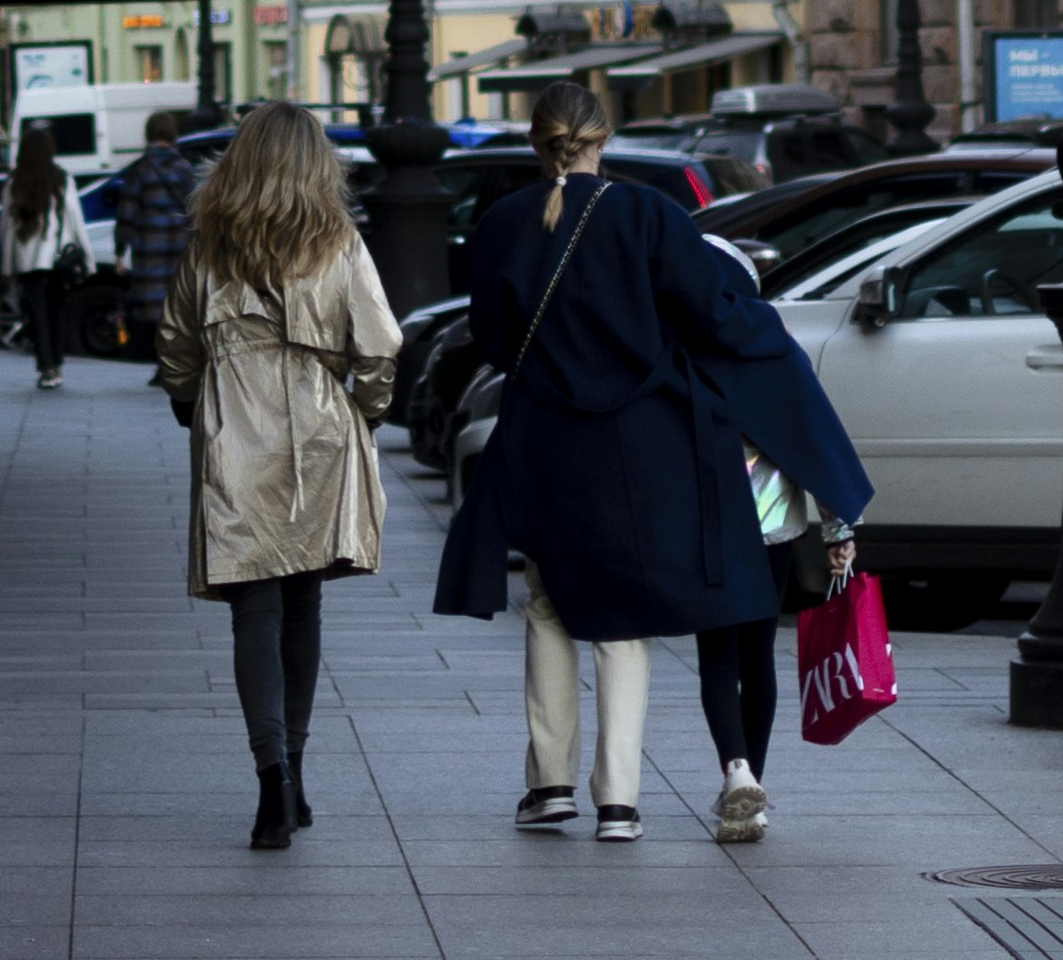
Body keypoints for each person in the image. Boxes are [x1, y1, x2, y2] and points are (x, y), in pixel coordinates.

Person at [434, 79, 871, 845]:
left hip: (540, 434)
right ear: (602, 137)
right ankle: (620, 803)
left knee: (545, 604)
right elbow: (713, 314)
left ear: (539, 141)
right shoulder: (645, 213)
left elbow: (494, 338)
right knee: (621, 616)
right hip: (636, 443)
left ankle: (550, 787)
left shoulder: (502, 223)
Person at [158, 103, 403, 851]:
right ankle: (294, 769)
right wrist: (365, 410)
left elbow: (176, 340)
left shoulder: (211, 243)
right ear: (316, 163)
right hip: (320, 432)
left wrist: (189, 402)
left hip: (238, 425)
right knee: (303, 610)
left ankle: (272, 783)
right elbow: (379, 345)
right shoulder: (339, 241)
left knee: (254, 614)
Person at [107, 106, 212, 358]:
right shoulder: (185, 168)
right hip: (179, 245)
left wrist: (121, 250)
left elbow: (127, 212)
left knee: (153, 306)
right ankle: (174, 357)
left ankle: (161, 360)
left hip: (149, 246)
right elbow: (196, 210)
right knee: (177, 303)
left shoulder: (141, 169)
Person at [0, 132, 89, 385]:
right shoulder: (60, 178)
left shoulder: (15, 181)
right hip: (57, 259)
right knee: (57, 310)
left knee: (36, 314)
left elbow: (6, 226)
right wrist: (87, 258)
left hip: (28, 260)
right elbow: (75, 218)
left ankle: (46, 366)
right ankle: (56, 364)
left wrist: (6, 265)